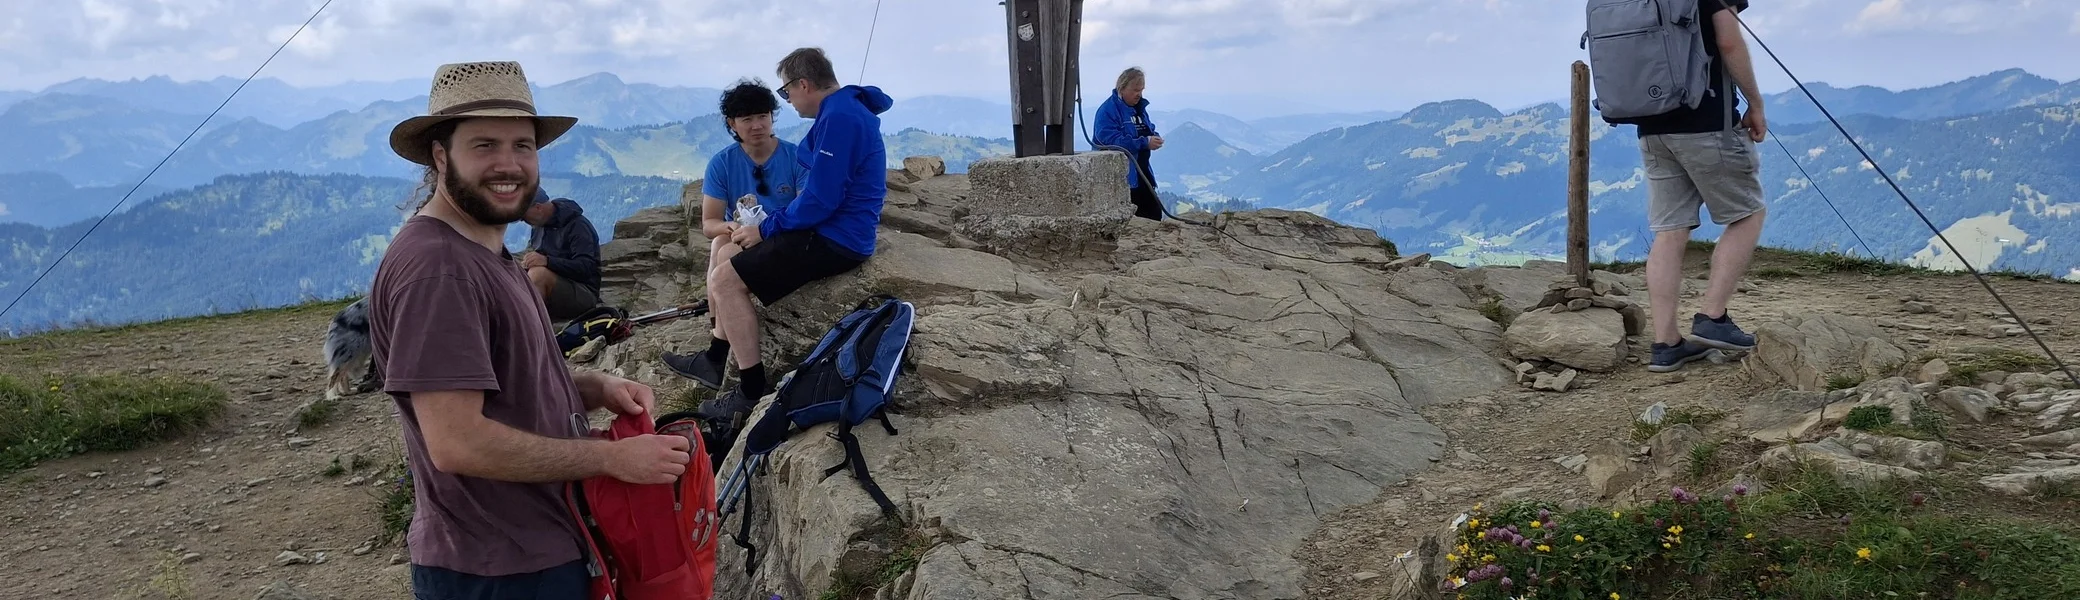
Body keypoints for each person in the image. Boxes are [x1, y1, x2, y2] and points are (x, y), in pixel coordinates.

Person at [370, 60, 692, 599]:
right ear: (440, 155)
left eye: (523, 145)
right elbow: (457, 443)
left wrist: (591, 386)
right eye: (484, 145)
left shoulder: (487, 248)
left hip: (534, 546)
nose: (509, 163)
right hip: (498, 568)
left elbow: (503, 375)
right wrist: (612, 460)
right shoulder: (439, 271)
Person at [665, 47, 892, 422]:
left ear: (803, 83)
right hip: (838, 232)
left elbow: (821, 199)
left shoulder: (839, 118)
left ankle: (749, 392)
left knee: (724, 280)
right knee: (727, 265)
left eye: (786, 93)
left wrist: (767, 228)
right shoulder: (846, 110)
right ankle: (718, 361)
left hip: (836, 238)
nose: (789, 101)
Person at [1629, 0, 1768, 372]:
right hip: (1707, 120)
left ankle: (1666, 343)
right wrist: (1754, 102)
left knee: (1669, 231)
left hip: (1651, 123)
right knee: (1748, 214)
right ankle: (1712, 317)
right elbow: (1728, 41)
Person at [660, 79, 807, 386]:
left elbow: (804, 212)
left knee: (723, 252)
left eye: (763, 116)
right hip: (744, 239)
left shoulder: (795, 157)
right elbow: (710, 222)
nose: (757, 125)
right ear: (733, 124)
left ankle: (717, 353)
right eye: (747, 119)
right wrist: (731, 226)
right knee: (720, 244)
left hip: (784, 239)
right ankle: (718, 351)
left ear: (772, 117)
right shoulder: (723, 163)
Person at [519, 188, 602, 322]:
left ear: (538, 208)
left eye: (524, 217)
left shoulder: (578, 226)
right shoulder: (539, 227)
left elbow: (586, 267)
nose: (524, 221)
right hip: (556, 289)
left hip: (584, 292)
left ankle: (532, 328)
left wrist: (547, 261)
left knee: (538, 275)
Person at [1094, 66, 1164, 220]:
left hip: (1142, 173)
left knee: (1153, 215)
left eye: (1141, 90)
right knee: (1135, 221)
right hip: (1122, 179)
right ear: (1122, 88)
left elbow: (1147, 128)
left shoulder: (1138, 108)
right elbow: (1111, 141)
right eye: (1135, 90)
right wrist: (1144, 142)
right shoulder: (1108, 111)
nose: (1139, 94)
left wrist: (1154, 137)